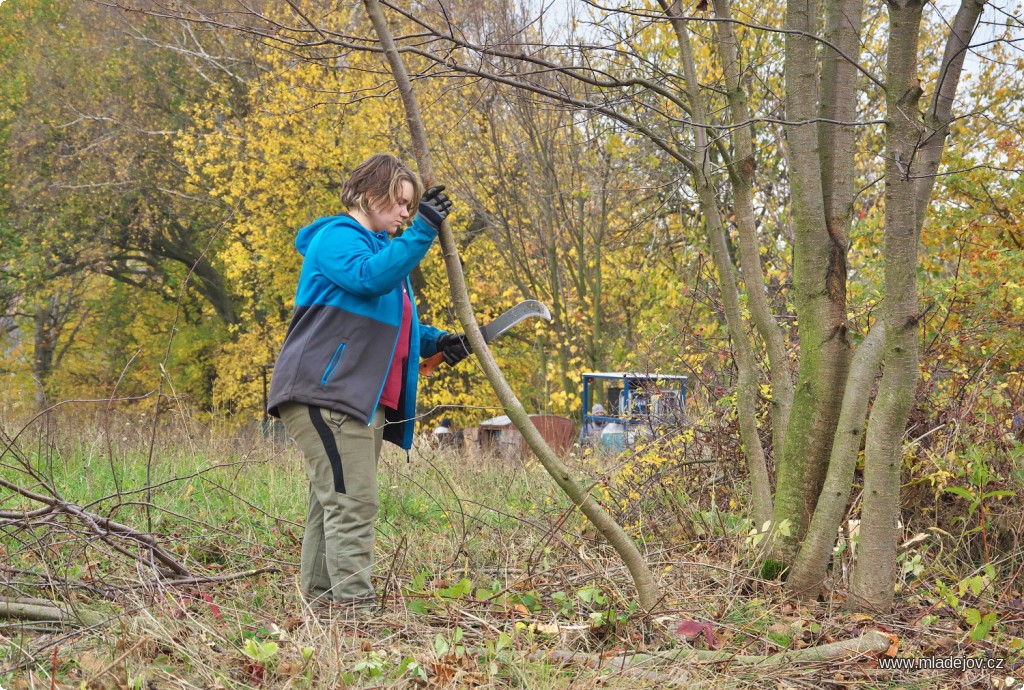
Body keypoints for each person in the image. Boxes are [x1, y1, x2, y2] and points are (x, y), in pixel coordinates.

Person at [266, 154, 472, 610]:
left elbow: (390, 321)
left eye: (410, 206)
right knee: (354, 504)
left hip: (361, 399)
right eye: (399, 203)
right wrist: (424, 230)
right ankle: (356, 616)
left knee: (334, 504)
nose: (404, 213)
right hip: (327, 392)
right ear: (367, 193)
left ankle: (323, 609)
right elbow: (368, 281)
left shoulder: (381, 253)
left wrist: (438, 341)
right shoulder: (337, 238)